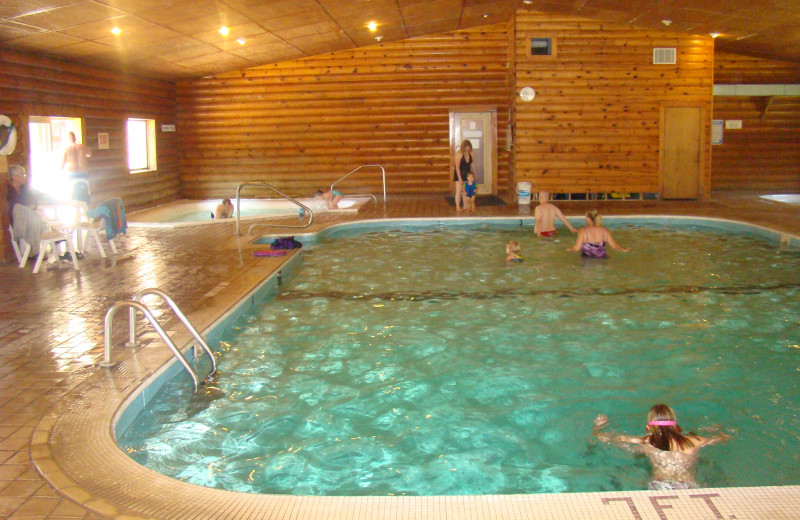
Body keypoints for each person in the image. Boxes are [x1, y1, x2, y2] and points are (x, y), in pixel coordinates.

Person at [592, 404, 731, 490]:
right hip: (689, 485)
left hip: (660, 485)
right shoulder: (695, 441)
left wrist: (597, 427)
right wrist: (716, 430)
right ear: (676, 426)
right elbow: (723, 438)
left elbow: (606, 439)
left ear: (648, 428)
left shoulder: (646, 443)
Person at [61, 131, 92, 204]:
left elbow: (62, 164)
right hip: (83, 173)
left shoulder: (67, 149)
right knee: (85, 195)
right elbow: (89, 154)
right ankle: (86, 212)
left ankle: (75, 211)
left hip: (72, 174)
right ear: (75, 138)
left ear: (68, 139)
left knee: (72, 196)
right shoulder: (83, 147)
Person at [453, 140, 474, 212]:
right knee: (459, 190)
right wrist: (460, 179)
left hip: (467, 173)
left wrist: (474, 174)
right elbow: (457, 168)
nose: (467, 150)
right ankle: (458, 206)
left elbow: (473, 164)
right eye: (466, 149)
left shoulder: (471, 153)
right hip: (460, 172)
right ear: (463, 148)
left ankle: (466, 206)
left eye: (469, 149)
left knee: (466, 190)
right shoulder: (458, 154)